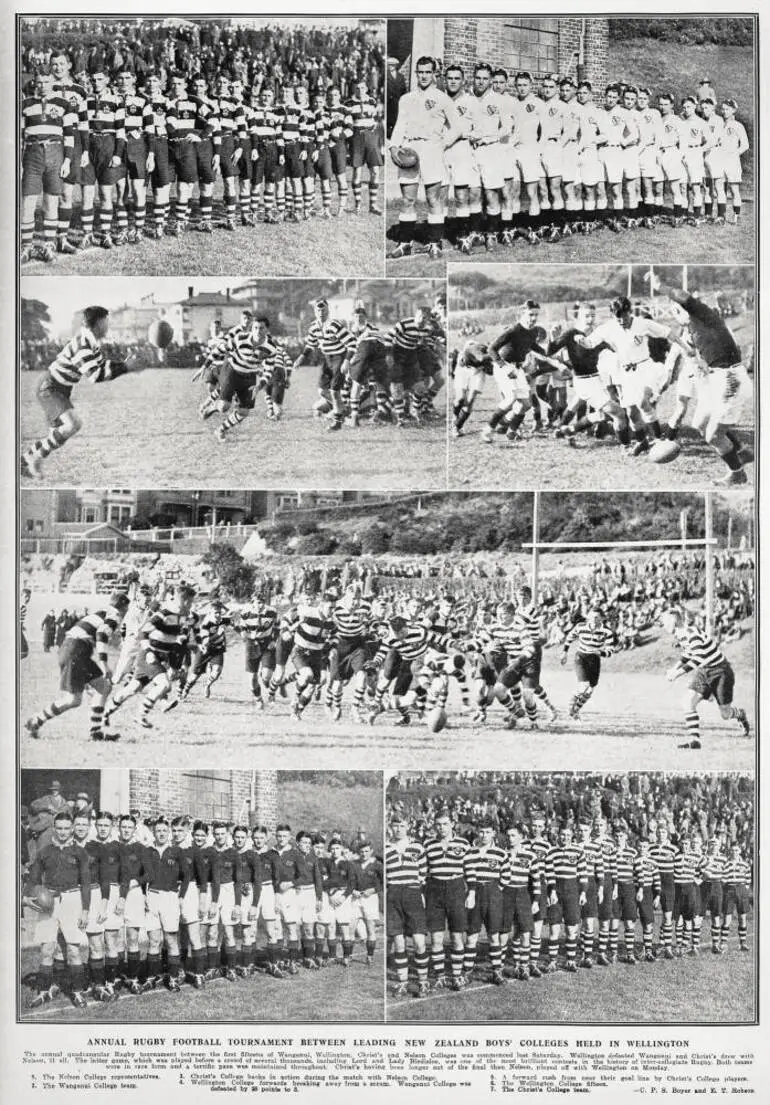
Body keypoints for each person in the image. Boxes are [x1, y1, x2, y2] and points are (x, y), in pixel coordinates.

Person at [21, 306, 134, 480]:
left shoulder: (90, 341)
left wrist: (123, 364)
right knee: (73, 425)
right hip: (50, 387)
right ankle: (34, 459)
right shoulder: (83, 343)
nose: (108, 326)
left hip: (59, 388)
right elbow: (95, 375)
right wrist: (126, 367)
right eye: (107, 322)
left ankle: (25, 459)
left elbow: (101, 365)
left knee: (58, 436)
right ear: (99, 323)